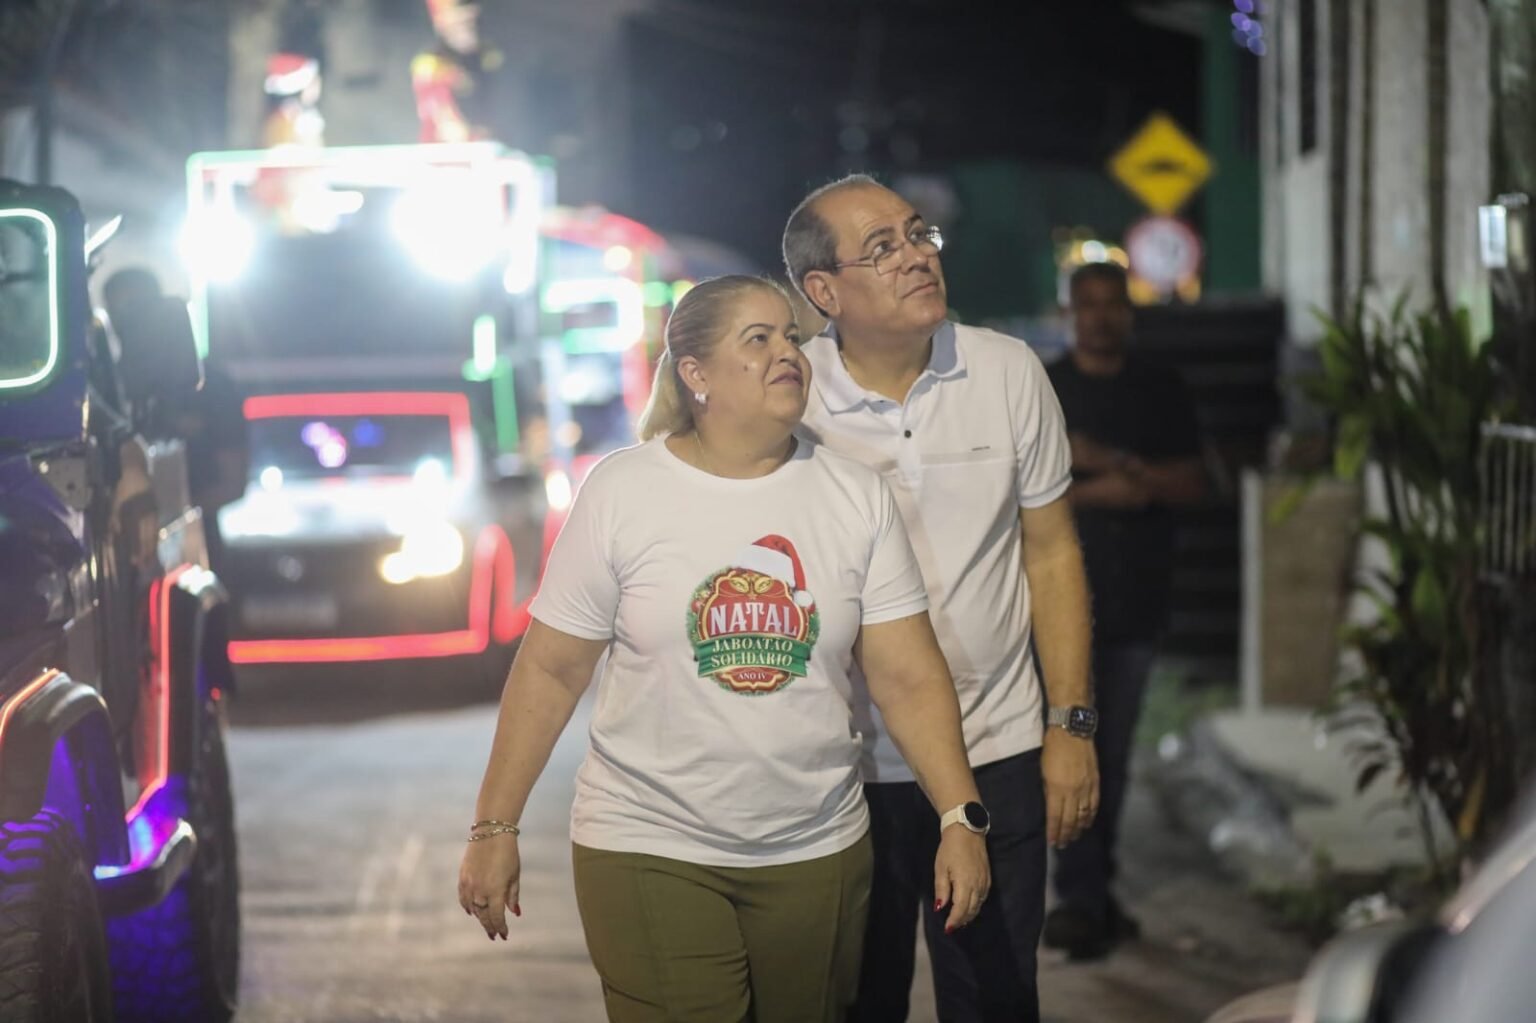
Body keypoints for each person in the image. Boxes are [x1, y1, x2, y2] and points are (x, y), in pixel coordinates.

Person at [458, 275, 993, 1023]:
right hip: (649, 843)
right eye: (759, 338)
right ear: (696, 374)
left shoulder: (854, 495)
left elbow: (907, 676)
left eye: (792, 336)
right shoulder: (624, 491)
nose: (788, 353)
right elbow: (551, 670)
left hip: (818, 852)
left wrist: (958, 816)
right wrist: (494, 825)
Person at [783, 176, 1098, 1023]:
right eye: (881, 247)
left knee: (996, 999)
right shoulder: (792, 399)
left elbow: (1053, 552)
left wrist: (1069, 726)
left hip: (996, 744)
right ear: (823, 291)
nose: (916, 254)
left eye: (918, 235)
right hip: (846, 765)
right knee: (856, 1001)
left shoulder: (1005, 369)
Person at [1043, 260, 1207, 960]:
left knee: (1107, 755)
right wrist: (1116, 485)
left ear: (1127, 313)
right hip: (1050, 614)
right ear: (1070, 311)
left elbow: (1191, 481)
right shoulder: (1046, 387)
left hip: (1133, 607)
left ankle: (1089, 897)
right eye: (1090, 304)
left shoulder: (1158, 386)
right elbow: (1031, 495)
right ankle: (1080, 898)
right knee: (1058, 749)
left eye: (1113, 304)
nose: (1101, 316)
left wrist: (1104, 465)